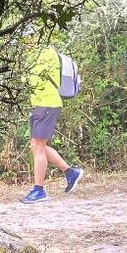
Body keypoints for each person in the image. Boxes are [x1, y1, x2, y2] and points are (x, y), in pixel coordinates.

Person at [20, 37, 84, 203]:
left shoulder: (44, 54)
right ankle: (71, 173)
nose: (24, 44)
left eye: (25, 40)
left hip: (46, 103)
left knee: (38, 146)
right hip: (39, 104)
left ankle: (39, 190)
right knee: (38, 145)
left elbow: (30, 80)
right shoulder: (33, 55)